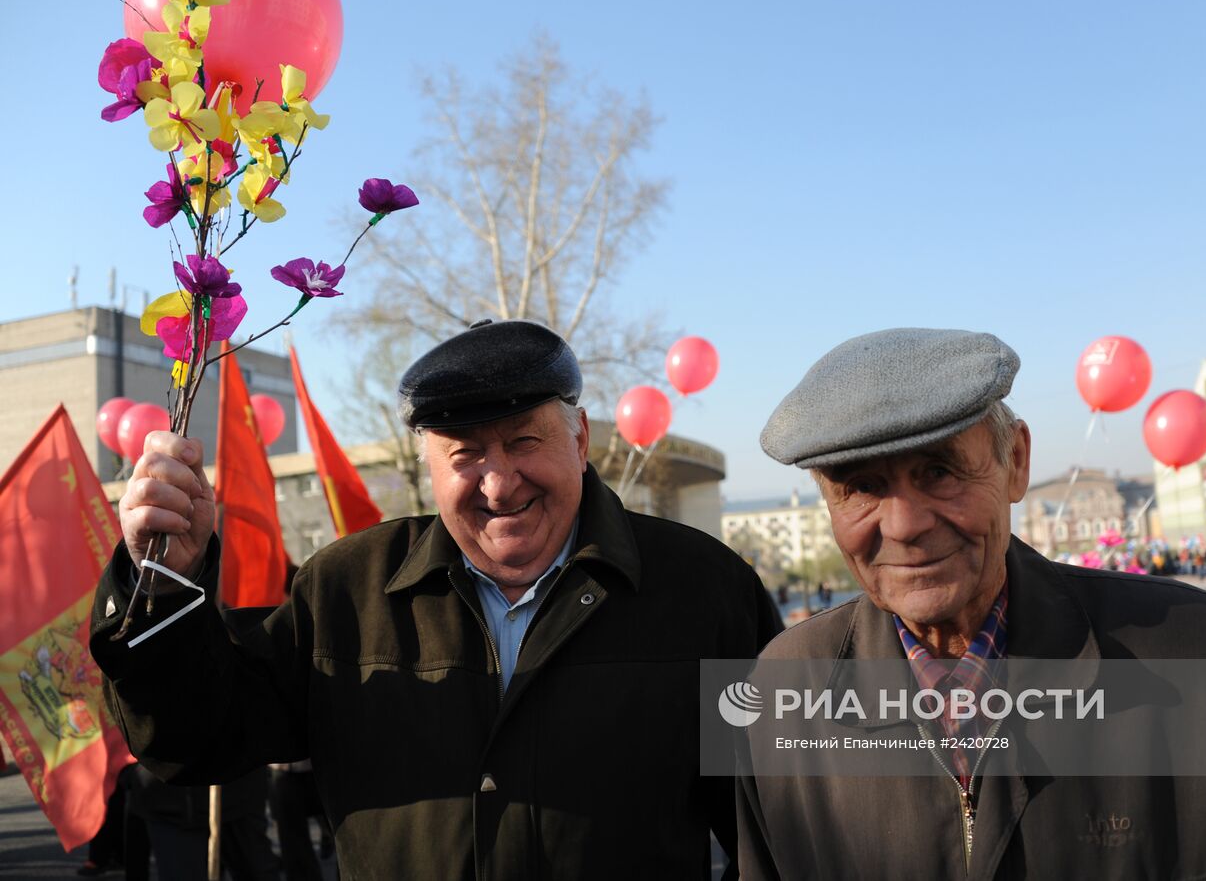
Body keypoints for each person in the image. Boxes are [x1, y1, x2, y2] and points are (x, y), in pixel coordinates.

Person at [90, 319, 781, 878]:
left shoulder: (706, 588)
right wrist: (163, 585)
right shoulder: (345, 590)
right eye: (465, 456)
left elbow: (788, 827)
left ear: (579, 438)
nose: (498, 482)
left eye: (522, 442)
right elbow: (191, 741)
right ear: (427, 467)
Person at [736, 327, 1206, 879]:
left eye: (938, 472)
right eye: (863, 488)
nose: (903, 525)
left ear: (1015, 463)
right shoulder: (780, 696)